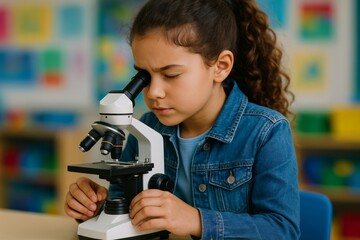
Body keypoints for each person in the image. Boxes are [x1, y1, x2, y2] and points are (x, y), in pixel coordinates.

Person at [64, 0, 300, 239]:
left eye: (171, 74)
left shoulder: (267, 132)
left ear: (220, 66)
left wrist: (195, 220)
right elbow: (124, 209)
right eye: (144, 76)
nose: (154, 92)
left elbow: (282, 230)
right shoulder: (146, 128)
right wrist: (94, 208)